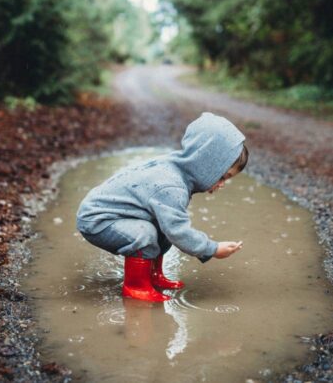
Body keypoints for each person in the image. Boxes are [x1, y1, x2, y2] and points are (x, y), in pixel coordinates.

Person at [76, 112, 248, 302]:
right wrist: (213, 249)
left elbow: (170, 227)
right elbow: (179, 232)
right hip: (97, 219)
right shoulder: (172, 186)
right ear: (205, 165)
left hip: (116, 215)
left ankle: (153, 275)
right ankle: (136, 286)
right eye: (223, 176)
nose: (222, 184)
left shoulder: (178, 169)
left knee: (161, 226)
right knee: (146, 233)